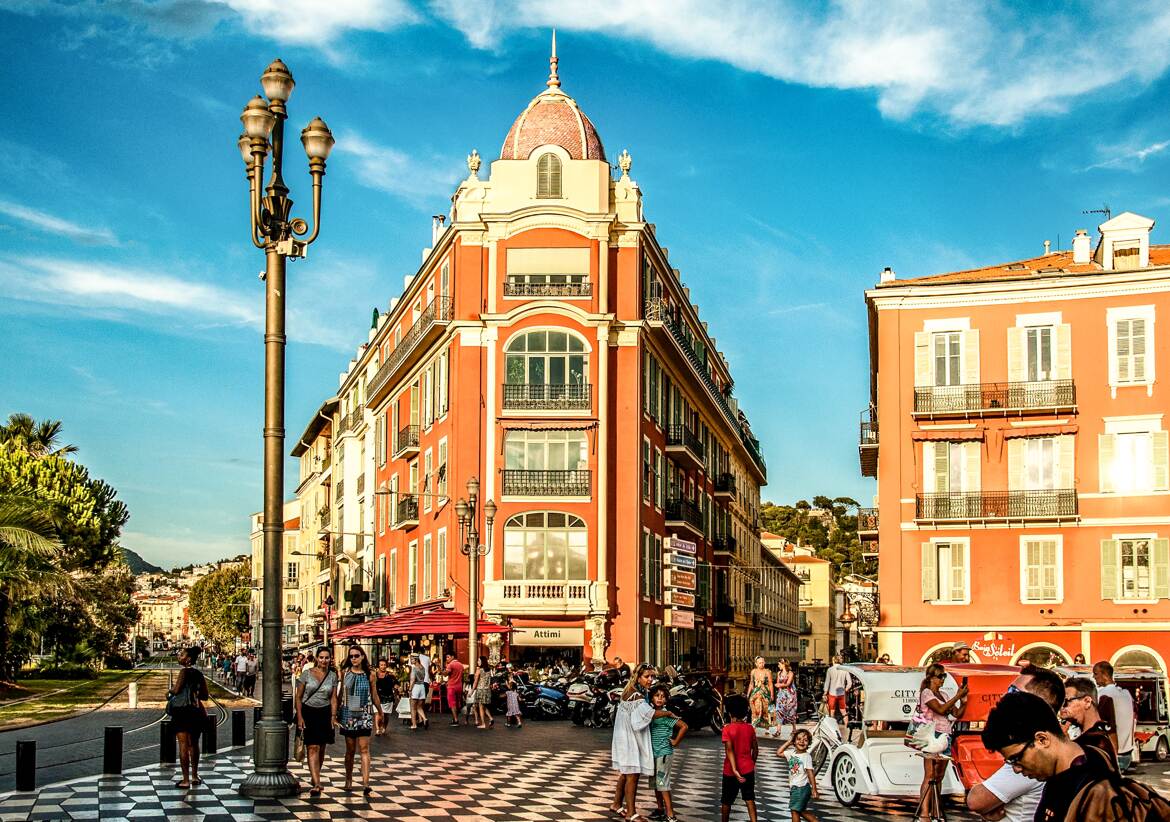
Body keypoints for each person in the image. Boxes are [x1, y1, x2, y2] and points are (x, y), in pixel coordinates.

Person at [980, 691, 1170, 822]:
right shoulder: (1062, 776)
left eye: (1016, 758)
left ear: (1042, 739)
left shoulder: (1098, 793)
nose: (1016, 769)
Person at [967, 662, 1065, 822]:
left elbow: (976, 801)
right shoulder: (1036, 747)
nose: (1005, 696)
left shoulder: (1032, 755)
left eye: (1014, 692)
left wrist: (991, 807)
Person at [609, 663, 666, 821]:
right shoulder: (637, 696)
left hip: (624, 736)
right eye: (647, 676)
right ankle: (631, 813)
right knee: (632, 775)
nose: (650, 680)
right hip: (629, 739)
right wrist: (667, 713)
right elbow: (647, 716)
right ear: (638, 677)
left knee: (626, 773)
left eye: (652, 676)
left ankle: (616, 804)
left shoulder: (631, 690)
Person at [916, 662, 967, 821]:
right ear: (931, 677)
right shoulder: (926, 693)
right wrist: (957, 696)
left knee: (939, 776)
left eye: (944, 676)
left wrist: (963, 701)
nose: (943, 679)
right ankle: (925, 813)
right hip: (932, 736)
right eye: (940, 676)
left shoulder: (943, 695)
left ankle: (936, 810)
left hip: (945, 735)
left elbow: (956, 713)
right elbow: (940, 710)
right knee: (930, 775)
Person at [294, 646, 339, 797]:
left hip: (325, 713)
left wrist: (333, 716)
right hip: (308, 712)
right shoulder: (307, 674)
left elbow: (333, 697)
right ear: (316, 658)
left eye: (327, 657)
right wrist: (299, 716)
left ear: (330, 659)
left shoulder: (333, 676)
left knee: (321, 748)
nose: (324, 660)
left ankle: (316, 778)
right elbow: (298, 697)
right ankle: (317, 782)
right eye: (321, 657)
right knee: (312, 747)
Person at [339, 645, 380, 795]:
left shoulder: (370, 674)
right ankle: (348, 779)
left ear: (363, 656)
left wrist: (379, 712)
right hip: (349, 713)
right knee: (350, 750)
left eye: (357, 655)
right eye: (351, 656)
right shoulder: (345, 672)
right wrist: (335, 712)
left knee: (364, 749)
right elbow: (340, 693)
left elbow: (374, 694)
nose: (354, 658)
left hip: (364, 713)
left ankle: (365, 782)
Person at [168, 646, 209, 790]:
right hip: (196, 711)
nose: (179, 657)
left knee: (183, 745)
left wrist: (170, 691)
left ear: (188, 659)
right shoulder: (199, 674)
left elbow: (176, 690)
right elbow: (205, 695)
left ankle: (185, 780)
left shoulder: (184, 672)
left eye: (182, 655)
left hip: (182, 712)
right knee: (195, 744)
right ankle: (195, 776)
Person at [648, 683, 688, 822]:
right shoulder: (652, 713)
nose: (660, 698)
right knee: (655, 783)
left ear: (666, 700)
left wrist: (676, 742)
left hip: (664, 753)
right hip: (654, 753)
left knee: (662, 783)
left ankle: (670, 813)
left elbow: (683, 726)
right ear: (651, 698)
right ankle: (660, 809)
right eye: (657, 695)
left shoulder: (665, 715)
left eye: (663, 696)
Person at [721, 694, 759, 822]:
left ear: (729, 712)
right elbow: (755, 750)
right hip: (748, 769)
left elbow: (729, 750)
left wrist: (735, 769)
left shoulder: (727, 729)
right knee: (749, 798)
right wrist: (751, 763)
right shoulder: (750, 728)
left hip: (730, 771)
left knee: (726, 801)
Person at [1062, 675, 1117, 763]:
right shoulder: (1094, 735)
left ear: (1087, 701)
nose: (1062, 707)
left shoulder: (1096, 741)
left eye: (1066, 702)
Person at [1094, 660, 1136, 772]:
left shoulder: (1103, 695)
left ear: (1105, 675)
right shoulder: (1126, 694)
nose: (1094, 677)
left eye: (1096, 673)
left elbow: (1106, 725)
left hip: (1112, 753)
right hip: (1127, 753)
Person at [776, 728, 819, 822]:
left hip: (801, 788)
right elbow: (779, 753)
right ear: (794, 742)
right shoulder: (792, 753)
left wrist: (814, 789)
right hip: (795, 787)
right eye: (798, 739)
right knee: (801, 811)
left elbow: (810, 773)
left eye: (805, 740)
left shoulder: (806, 756)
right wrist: (788, 742)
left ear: (809, 743)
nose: (802, 742)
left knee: (795, 811)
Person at [774, 659, 798, 740]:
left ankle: (794, 729)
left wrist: (779, 685)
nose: (778, 666)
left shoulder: (790, 673)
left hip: (790, 696)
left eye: (779, 664)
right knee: (779, 711)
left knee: (791, 712)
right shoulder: (779, 673)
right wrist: (780, 685)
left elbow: (788, 683)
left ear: (783, 664)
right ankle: (778, 730)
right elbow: (777, 683)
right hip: (781, 695)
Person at [747, 656, 774, 728]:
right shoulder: (753, 672)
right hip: (756, 691)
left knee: (765, 709)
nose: (761, 664)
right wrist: (748, 693)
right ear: (756, 664)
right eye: (760, 663)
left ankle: (765, 725)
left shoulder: (767, 672)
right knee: (753, 704)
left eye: (762, 662)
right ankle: (755, 723)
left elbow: (770, 684)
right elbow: (751, 683)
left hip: (765, 692)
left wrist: (772, 695)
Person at [373, 658, 398, 736]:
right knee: (378, 714)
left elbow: (396, 683)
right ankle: (377, 729)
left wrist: (396, 687)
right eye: (381, 665)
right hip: (377, 697)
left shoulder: (390, 675)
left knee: (386, 715)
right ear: (378, 666)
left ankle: (384, 728)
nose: (383, 666)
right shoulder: (375, 675)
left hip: (388, 698)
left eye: (384, 665)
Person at [822, 655, 850, 721]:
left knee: (832, 712)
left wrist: (825, 693)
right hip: (841, 694)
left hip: (832, 694)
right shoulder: (845, 670)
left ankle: (833, 729)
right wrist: (845, 690)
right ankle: (847, 728)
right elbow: (850, 683)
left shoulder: (830, 670)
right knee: (844, 712)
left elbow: (827, 682)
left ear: (834, 661)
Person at [471, 655, 493, 729]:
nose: (477, 662)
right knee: (484, 706)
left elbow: (475, 682)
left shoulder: (479, 670)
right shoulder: (489, 670)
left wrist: (471, 691)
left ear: (482, 662)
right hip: (487, 690)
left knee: (480, 707)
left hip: (480, 690)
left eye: (479, 661)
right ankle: (490, 718)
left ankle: (483, 724)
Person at [407, 654, 428, 730]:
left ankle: (414, 725)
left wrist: (409, 690)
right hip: (422, 687)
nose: (411, 661)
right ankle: (425, 719)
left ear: (416, 660)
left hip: (415, 687)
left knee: (412, 707)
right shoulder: (423, 668)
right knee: (419, 706)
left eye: (412, 659)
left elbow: (412, 680)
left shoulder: (414, 669)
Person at [444, 653, 465, 726]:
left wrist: (439, 667)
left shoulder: (450, 665)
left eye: (448, 657)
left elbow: (445, 674)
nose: (447, 658)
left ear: (452, 657)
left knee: (452, 703)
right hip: (459, 686)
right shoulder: (461, 665)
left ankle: (456, 720)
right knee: (457, 703)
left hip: (452, 686)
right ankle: (455, 718)